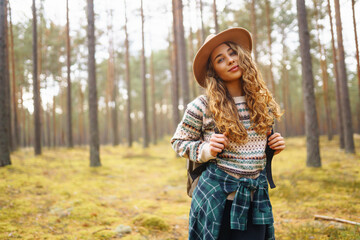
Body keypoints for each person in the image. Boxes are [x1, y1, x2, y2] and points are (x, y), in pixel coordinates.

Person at [171, 27, 285, 240]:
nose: (231, 60)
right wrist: (206, 149)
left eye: (233, 53)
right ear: (214, 70)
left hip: (254, 197)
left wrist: (272, 147)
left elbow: (256, 148)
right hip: (216, 199)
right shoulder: (202, 106)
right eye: (220, 59)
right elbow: (178, 141)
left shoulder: (263, 104)